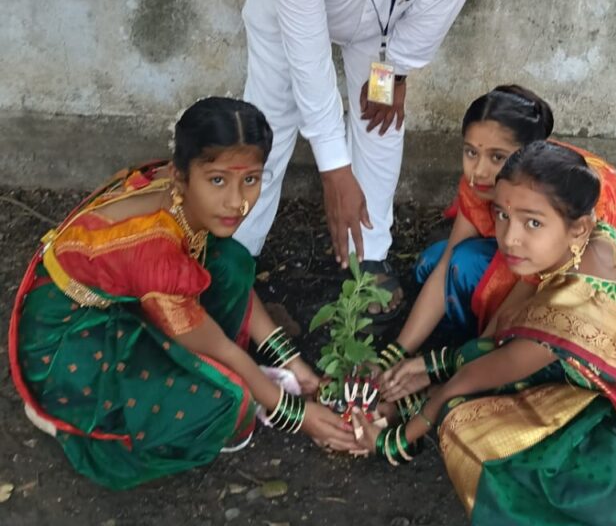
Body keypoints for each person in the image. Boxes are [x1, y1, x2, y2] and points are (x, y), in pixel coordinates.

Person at [354, 141, 616, 526]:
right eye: (502, 215)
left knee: (467, 425)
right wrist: (432, 365)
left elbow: (476, 376)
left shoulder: (573, 309)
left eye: (533, 222)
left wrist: (398, 438)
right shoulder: (596, 242)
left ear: (578, 227)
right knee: (489, 370)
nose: (509, 237)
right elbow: (499, 338)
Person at [8, 97, 358, 490]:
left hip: (115, 301)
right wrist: (297, 414)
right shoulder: (155, 253)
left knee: (230, 260)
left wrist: (295, 366)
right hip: (64, 345)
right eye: (218, 181)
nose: (237, 201)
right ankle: (63, 421)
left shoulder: (178, 198)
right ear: (180, 176)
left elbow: (226, 273)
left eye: (252, 180)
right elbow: (224, 351)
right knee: (228, 401)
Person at [237, 0, 484, 316]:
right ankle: (234, 256)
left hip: (383, 32)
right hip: (290, 11)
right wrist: (333, 170)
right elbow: (307, 52)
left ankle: (368, 258)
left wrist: (396, 68)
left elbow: (438, 3)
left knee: (379, 120)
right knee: (271, 121)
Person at [390, 85, 616, 353]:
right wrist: (396, 353)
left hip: (581, 294)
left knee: (464, 267)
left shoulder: (562, 198)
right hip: (538, 255)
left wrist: (456, 364)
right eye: (471, 152)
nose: (478, 171)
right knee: (433, 263)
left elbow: (532, 289)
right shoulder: (486, 182)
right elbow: (447, 260)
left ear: (529, 156)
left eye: (497, 157)